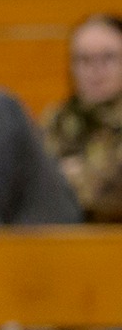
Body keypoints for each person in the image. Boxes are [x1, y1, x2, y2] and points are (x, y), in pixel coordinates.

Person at [44, 14, 122, 223]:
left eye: (108, 58)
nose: (96, 70)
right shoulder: (58, 118)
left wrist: (73, 178)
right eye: (84, 60)